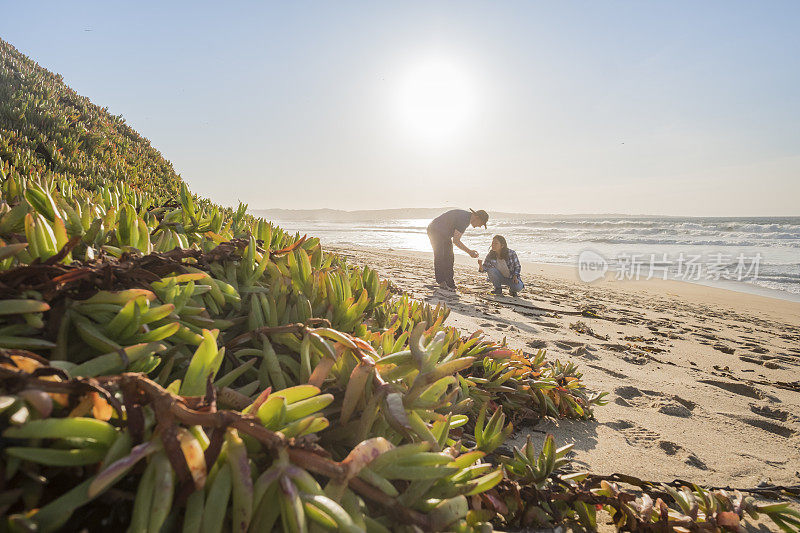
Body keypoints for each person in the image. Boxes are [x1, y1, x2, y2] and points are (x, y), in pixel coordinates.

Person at [427, 208, 489, 290]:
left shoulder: (467, 218)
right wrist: (469, 252)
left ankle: (449, 282)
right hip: (435, 230)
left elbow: (455, 239)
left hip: (445, 234)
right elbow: (456, 241)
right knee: (440, 255)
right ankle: (442, 282)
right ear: (477, 217)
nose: (480, 226)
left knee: (449, 257)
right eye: (481, 223)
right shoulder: (464, 220)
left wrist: (469, 252)